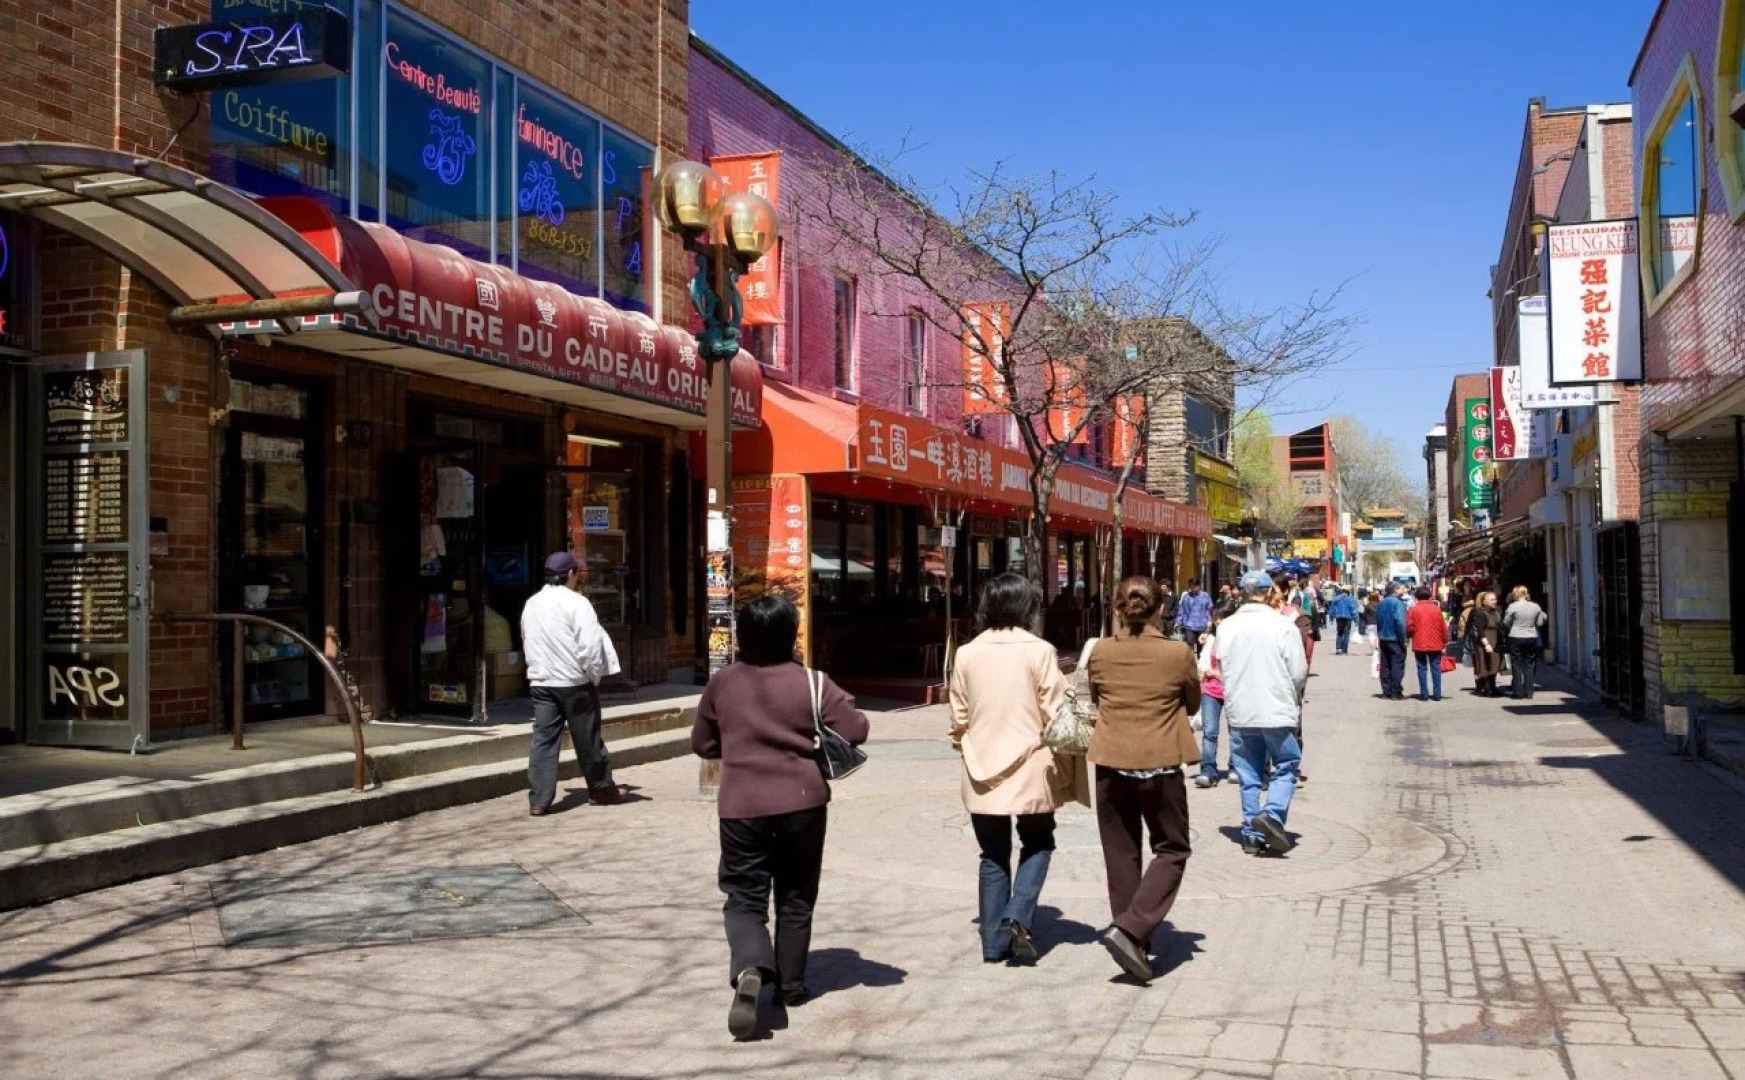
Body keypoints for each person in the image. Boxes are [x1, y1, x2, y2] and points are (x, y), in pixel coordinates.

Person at [692, 594, 869, 1040]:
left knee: (744, 895)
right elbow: (856, 729)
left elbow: (703, 744)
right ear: (791, 634)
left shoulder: (723, 684)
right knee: (796, 894)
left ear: (742, 635)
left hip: (740, 804)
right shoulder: (813, 682)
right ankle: (790, 986)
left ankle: (752, 966)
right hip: (803, 800)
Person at [949, 572, 1085, 966]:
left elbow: (958, 715)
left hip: (981, 766)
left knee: (992, 854)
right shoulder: (1039, 651)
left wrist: (967, 741)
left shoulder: (967, 653)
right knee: (1039, 840)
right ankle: (1018, 913)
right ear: (1027, 607)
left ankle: (993, 944)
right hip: (1032, 762)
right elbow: (1055, 710)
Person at [1084, 576, 1200, 983]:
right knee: (1172, 848)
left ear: (1118, 609)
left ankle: (1133, 938)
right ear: (1161, 608)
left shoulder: (1100, 651)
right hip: (1161, 764)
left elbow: (1097, 697)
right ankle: (1131, 929)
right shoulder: (1178, 653)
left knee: (1121, 853)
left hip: (1111, 763)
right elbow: (1192, 701)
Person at [521, 550, 623, 815]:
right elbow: (589, 646)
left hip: (542, 681)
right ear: (570, 575)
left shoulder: (532, 603)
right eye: (576, 573)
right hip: (574, 681)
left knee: (544, 739)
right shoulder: (578, 603)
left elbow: (526, 637)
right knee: (587, 737)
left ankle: (539, 800)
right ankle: (601, 789)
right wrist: (594, 674)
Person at [1218, 570, 1309, 857]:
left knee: (1249, 775)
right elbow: (1298, 672)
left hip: (1241, 711)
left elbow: (1224, 669)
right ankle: (1272, 814)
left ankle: (1251, 834)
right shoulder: (1284, 626)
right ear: (1270, 593)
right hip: (1276, 710)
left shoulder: (1227, 627)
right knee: (1286, 765)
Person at [1193, 601, 1237, 788]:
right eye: (1214, 619)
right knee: (1209, 732)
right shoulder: (1211, 639)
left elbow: (1239, 669)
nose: (1215, 622)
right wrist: (1203, 672)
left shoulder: (1238, 639)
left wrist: (1216, 674)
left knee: (1236, 732)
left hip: (1232, 690)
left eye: (1219, 618)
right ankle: (1208, 770)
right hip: (1210, 690)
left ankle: (1235, 767)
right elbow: (1203, 662)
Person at [1501, 586, 1548, 700]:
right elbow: (1540, 622)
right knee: (1530, 664)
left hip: (1516, 636)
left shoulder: (1512, 606)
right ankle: (1529, 691)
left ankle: (1518, 692)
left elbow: (1506, 622)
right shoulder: (1535, 606)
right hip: (1531, 636)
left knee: (1516, 665)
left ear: (1515, 594)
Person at [1406, 586, 1450, 701]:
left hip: (1419, 642)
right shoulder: (1436, 609)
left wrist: (1411, 636)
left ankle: (1424, 694)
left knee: (1422, 668)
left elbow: (1409, 627)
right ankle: (1437, 694)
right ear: (1430, 596)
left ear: (1416, 597)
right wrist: (1444, 642)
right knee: (1436, 668)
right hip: (1436, 643)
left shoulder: (1413, 610)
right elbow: (1443, 627)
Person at [1374, 583, 1409, 701]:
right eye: (1401, 587)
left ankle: (1386, 691)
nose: (1403, 589)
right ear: (1395, 590)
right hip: (1394, 638)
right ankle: (1395, 692)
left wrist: (1378, 636)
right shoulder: (1398, 603)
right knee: (1397, 665)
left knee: (1385, 665)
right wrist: (1403, 639)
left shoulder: (1381, 604)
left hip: (1383, 637)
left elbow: (1378, 621)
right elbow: (1400, 623)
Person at [1470, 591, 1504, 697]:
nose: (1495, 601)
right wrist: (1486, 644)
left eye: (1495, 599)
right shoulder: (1481, 613)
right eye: (1492, 599)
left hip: (1496, 641)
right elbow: (1480, 631)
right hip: (1486, 642)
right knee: (1486, 665)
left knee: (1495, 664)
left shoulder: (1496, 612)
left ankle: (1492, 687)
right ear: (1484, 602)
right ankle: (1486, 688)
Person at [1176, 578, 1213, 654]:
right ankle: (1192, 663)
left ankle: (1201, 663)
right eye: (1190, 587)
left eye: (1194, 586)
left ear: (1199, 586)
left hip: (1202, 625)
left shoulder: (1205, 596)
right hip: (1189, 625)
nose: (1192, 589)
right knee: (1190, 647)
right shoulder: (1186, 597)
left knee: (1202, 646)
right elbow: (1182, 611)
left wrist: (1209, 620)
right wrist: (1178, 622)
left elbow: (1209, 610)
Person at [1328, 586, 1359, 655]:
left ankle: (1338, 648)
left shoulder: (1335, 599)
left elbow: (1332, 609)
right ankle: (1344, 650)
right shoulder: (1350, 599)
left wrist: (1331, 618)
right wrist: (1356, 620)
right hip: (1348, 618)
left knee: (1339, 632)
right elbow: (1353, 610)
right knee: (1346, 634)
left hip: (1339, 617)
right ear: (1348, 592)